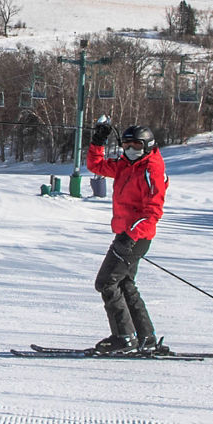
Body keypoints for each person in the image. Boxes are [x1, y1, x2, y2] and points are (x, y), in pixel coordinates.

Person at [82, 124, 169, 355]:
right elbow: (96, 166)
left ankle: (124, 337)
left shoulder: (151, 168)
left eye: (136, 145)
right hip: (127, 234)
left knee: (106, 282)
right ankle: (146, 338)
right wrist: (98, 142)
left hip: (135, 235)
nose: (130, 149)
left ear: (148, 146)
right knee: (124, 283)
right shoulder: (126, 164)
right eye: (127, 145)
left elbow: (153, 212)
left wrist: (131, 237)